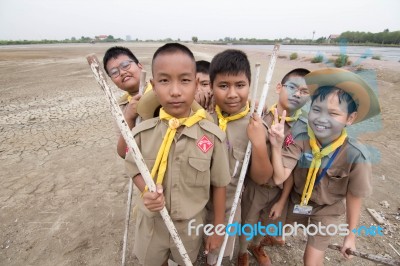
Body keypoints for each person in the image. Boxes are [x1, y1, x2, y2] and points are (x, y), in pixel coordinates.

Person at [125, 43, 231, 265]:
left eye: (184, 80)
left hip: (189, 227)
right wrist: (146, 190)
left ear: (195, 84)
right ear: (153, 85)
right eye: (164, 81)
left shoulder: (212, 137)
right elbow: (134, 169)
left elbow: (219, 184)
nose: (175, 91)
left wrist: (218, 228)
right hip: (152, 222)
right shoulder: (142, 134)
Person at [270, 68, 381, 265]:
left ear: (350, 118)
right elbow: (281, 177)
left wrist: (351, 236)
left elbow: (354, 197)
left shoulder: (356, 155)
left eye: (333, 113)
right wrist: (277, 147)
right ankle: (278, 235)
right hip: (296, 201)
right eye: (316, 110)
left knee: (311, 260)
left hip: (327, 209)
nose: (322, 118)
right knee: (275, 232)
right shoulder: (299, 137)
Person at [204, 49, 270, 265]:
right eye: (223, 86)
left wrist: (259, 144)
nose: (232, 94)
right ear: (211, 87)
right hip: (197, 205)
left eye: (240, 85)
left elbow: (261, 178)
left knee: (218, 257)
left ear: (249, 86)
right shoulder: (202, 119)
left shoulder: (256, 125)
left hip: (229, 208)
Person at [240, 68, 311, 264]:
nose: (297, 94)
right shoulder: (259, 114)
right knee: (246, 222)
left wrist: (282, 201)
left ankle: (257, 246)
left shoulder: (302, 130)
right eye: (293, 87)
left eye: (305, 92)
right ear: (279, 87)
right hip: (253, 187)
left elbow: (290, 173)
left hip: (279, 190)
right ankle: (241, 252)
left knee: (266, 224)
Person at [103, 46, 147, 158]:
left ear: (140, 66)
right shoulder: (119, 108)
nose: (122, 72)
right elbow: (123, 153)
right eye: (114, 72)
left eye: (125, 65)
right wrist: (129, 118)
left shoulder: (163, 91)